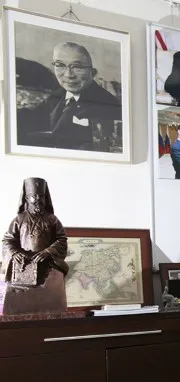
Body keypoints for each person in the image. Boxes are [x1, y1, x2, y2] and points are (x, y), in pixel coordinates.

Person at [16, 42, 121, 151]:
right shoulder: (60, 94)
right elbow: (35, 116)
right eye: (60, 65)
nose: (68, 75)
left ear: (92, 72)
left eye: (77, 67)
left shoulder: (106, 103)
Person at [1, 178, 68, 313]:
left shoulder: (52, 219)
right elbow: (8, 240)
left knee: (55, 283)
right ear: (26, 198)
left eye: (41, 196)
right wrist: (15, 253)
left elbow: (61, 239)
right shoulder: (19, 219)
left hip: (48, 263)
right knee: (15, 291)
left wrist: (49, 251)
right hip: (24, 264)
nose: (38, 199)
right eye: (34, 196)